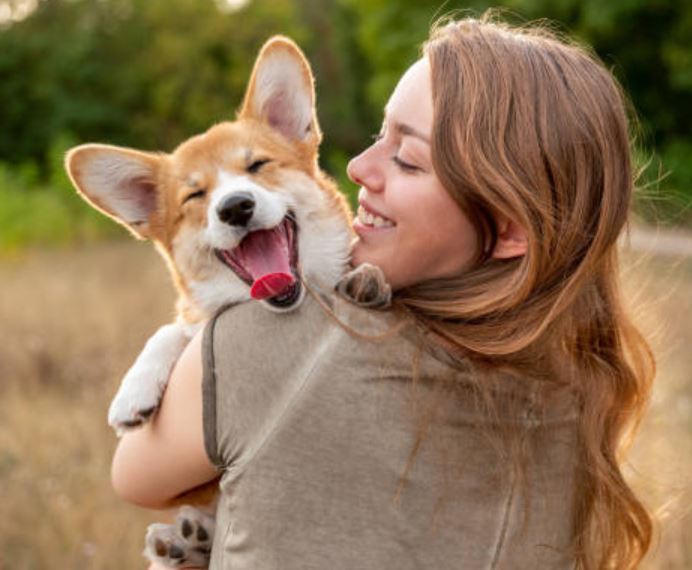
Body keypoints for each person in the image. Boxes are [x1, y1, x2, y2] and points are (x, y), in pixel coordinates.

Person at [112, 15, 655, 570]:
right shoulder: (578, 392)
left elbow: (133, 475)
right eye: (380, 135)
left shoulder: (267, 343)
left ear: (511, 228)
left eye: (408, 158)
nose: (355, 167)